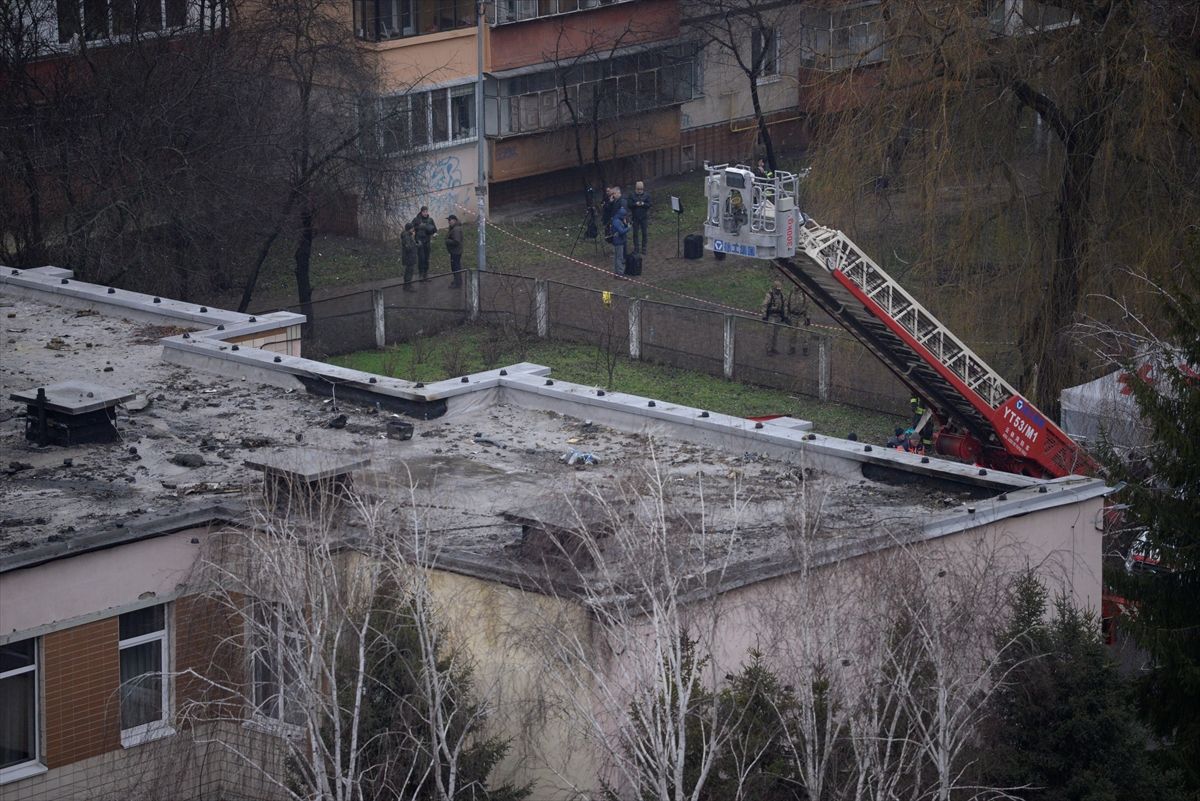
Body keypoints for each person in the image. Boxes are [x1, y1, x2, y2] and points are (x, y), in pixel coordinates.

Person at [411, 206, 437, 280]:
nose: (426, 213)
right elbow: (411, 228)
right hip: (419, 242)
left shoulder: (430, 220)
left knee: (426, 259)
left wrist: (434, 233)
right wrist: (419, 227)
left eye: (426, 211)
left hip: (427, 242)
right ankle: (421, 274)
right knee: (421, 258)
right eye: (424, 212)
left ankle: (426, 274)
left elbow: (435, 229)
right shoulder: (416, 220)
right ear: (421, 212)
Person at [762, 279, 788, 354]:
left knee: (776, 334)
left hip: (778, 317)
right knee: (770, 334)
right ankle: (768, 349)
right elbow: (764, 305)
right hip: (771, 317)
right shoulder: (769, 295)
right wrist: (764, 316)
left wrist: (784, 316)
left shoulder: (782, 295)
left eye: (779, 289)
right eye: (777, 289)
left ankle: (774, 348)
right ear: (774, 288)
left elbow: (785, 306)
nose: (778, 291)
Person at [629, 180, 652, 256]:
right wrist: (635, 204)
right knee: (635, 234)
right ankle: (636, 248)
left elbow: (649, 204)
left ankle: (644, 248)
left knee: (644, 233)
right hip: (635, 217)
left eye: (641, 189)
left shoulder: (647, 195)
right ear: (636, 189)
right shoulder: (632, 195)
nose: (639, 191)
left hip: (644, 217)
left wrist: (643, 204)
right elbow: (629, 205)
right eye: (638, 189)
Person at [445, 214, 464, 287]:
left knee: (456, 267)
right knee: (455, 266)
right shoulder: (454, 228)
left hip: (455, 252)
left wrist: (448, 241)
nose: (449, 222)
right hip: (455, 251)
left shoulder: (456, 229)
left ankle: (457, 283)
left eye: (450, 220)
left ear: (454, 220)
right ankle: (457, 280)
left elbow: (456, 241)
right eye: (448, 220)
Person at [611, 206, 629, 276]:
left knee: (617, 257)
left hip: (619, 241)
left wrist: (625, 224)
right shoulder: (617, 221)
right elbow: (621, 231)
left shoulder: (618, 219)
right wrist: (628, 228)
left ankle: (617, 272)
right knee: (619, 258)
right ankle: (620, 273)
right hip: (618, 242)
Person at [400, 223, 418, 291]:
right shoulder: (406, 236)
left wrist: (415, 244)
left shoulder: (408, 235)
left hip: (410, 256)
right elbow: (408, 248)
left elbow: (410, 245)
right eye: (412, 228)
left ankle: (407, 285)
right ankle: (408, 286)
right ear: (409, 229)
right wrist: (415, 245)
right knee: (409, 271)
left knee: (409, 271)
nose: (413, 229)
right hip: (408, 257)